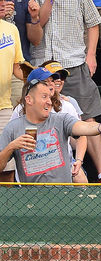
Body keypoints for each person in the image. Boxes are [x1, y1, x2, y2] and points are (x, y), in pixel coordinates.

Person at [30, 0, 101, 182]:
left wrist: (91, 54)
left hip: (73, 62)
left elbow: (93, 23)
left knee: (88, 117)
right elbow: (36, 24)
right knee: (37, 119)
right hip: (42, 64)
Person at [0, 67, 101, 180]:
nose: (49, 102)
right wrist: (11, 147)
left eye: (49, 97)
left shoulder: (61, 119)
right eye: (44, 97)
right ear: (29, 100)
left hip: (61, 192)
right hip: (28, 194)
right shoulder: (13, 127)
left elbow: (83, 127)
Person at [11, 60, 88, 183]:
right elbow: (12, 140)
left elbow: (81, 136)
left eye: (52, 80)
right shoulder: (20, 110)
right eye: (46, 82)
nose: (52, 84)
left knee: (81, 180)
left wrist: (78, 160)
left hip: (63, 168)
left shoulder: (66, 106)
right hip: (32, 168)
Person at [0, 0, 24, 182]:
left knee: (8, 167)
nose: (2, 3)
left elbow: (18, 67)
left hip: (4, 106)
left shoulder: (11, 29)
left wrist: (40, 79)